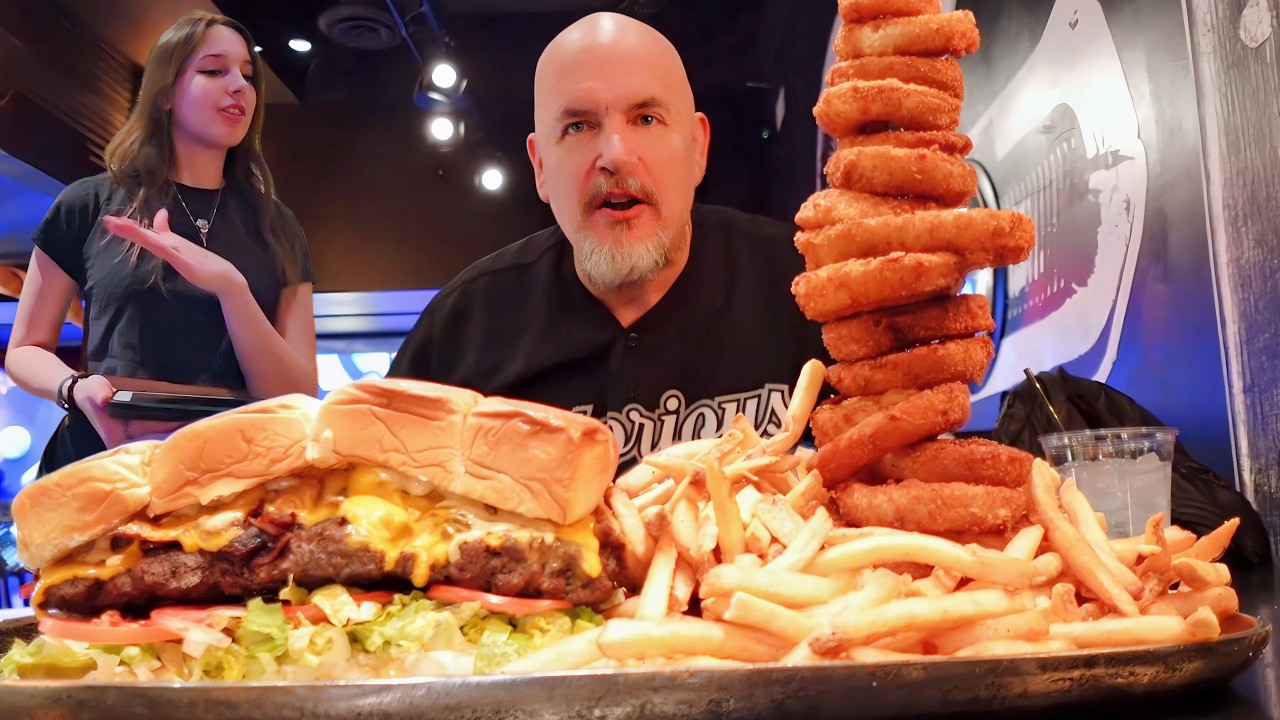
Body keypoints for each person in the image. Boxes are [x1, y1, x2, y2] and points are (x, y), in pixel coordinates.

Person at [390, 12, 823, 464]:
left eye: (647, 118)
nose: (614, 155)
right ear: (540, 168)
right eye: (578, 126)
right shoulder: (461, 328)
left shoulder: (806, 288)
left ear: (697, 148)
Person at [5, 11, 317, 473]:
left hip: (232, 468)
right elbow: (25, 349)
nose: (239, 86)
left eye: (247, 76)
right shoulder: (90, 202)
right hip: (107, 455)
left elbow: (297, 394)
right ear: (166, 92)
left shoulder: (279, 226)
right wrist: (75, 388)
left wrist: (231, 288)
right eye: (214, 70)